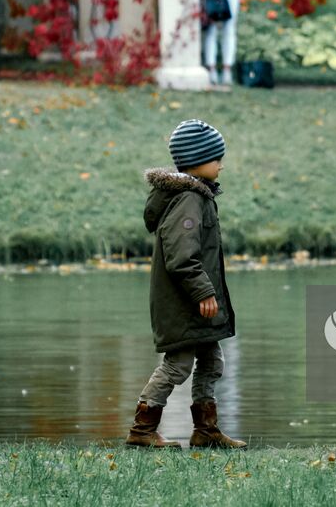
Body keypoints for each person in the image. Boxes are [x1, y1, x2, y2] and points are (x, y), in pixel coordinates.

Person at [127, 119, 246, 450]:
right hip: (184, 302)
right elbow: (181, 256)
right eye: (216, 157)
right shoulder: (189, 200)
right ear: (197, 160)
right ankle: (142, 430)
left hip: (194, 302)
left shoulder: (196, 195)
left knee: (212, 361)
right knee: (177, 366)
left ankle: (206, 431)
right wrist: (203, 291)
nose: (221, 164)